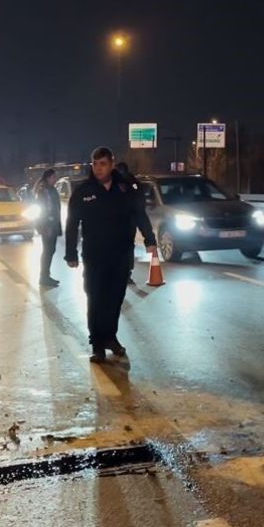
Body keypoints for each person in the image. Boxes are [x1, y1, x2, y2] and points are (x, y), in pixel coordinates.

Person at [65, 147, 157, 365]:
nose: (98, 168)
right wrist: (71, 253)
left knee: (115, 298)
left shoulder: (125, 188)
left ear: (112, 164)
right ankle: (97, 344)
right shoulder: (83, 191)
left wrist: (150, 240)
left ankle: (110, 337)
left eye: (103, 164)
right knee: (96, 298)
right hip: (94, 255)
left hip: (121, 254)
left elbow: (139, 214)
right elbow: (72, 223)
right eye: (95, 164)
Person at [33, 169, 62, 287]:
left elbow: (55, 208)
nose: (56, 179)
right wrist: (46, 226)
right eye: (54, 177)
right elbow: (46, 209)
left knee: (50, 250)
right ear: (48, 178)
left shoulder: (51, 190)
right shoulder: (44, 191)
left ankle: (45, 275)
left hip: (53, 224)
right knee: (48, 251)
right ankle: (44, 277)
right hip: (48, 225)